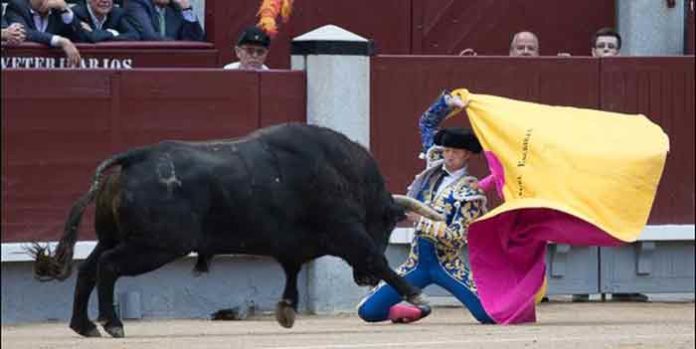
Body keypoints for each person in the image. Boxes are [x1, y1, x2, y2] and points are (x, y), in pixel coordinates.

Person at [357, 92, 494, 324]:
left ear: (467, 155)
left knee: (489, 315)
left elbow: (456, 238)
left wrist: (420, 221)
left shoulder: (472, 193)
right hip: (416, 264)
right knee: (368, 311)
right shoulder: (432, 170)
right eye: (446, 150)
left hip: (447, 266)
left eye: (455, 152)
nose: (448, 156)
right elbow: (427, 123)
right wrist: (446, 103)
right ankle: (415, 311)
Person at [4, 0, 81, 66]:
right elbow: (24, 32)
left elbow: (79, 35)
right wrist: (59, 41)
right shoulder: (16, 6)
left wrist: (65, 10)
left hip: (53, 71)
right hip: (23, 68)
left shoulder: (57, 9)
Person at [125, 0, 204, 41]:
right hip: (145, 60)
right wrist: (179, 44)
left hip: (173, 60)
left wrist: (187, 10)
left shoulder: (175, 8)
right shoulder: (136, 4)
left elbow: (196, 38)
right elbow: (150, 37)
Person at [72, 0, 140, 42]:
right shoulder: (77, 14)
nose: (105, 1)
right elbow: (89, 38)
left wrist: (108, 34)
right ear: (88, 0)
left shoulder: (117, 13)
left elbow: (134, 36)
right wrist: (114, 33)